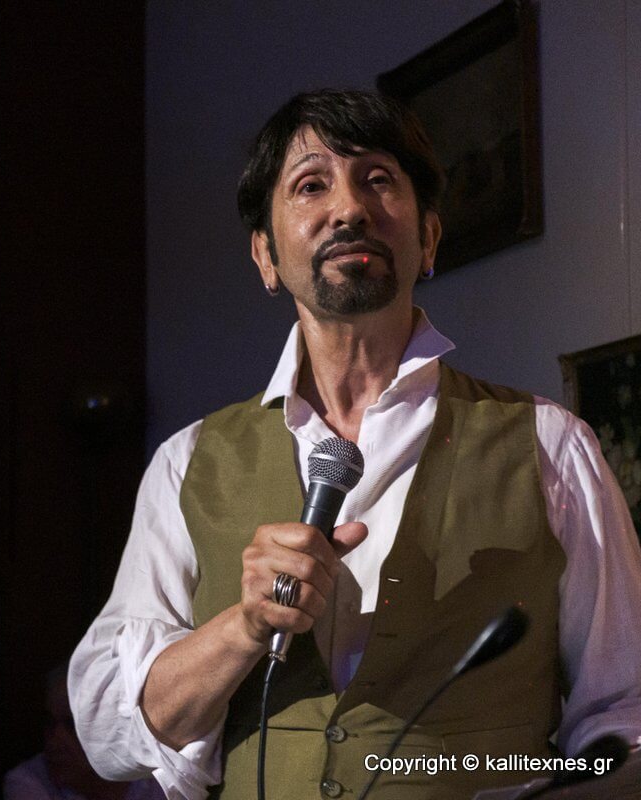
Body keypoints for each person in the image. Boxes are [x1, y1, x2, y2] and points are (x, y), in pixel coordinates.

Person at [69, 89, 641, 800]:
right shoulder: (186, 464)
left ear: (428, 239)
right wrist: (244, 627)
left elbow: (626, 713)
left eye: (377, 179)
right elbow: (108, 735)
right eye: (311, 185)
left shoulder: (551, 447)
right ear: (265, 255)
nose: (348, 209)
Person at [5, 664, 163, 800]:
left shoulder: (162, 777)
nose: (54, 741)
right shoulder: (30, 782)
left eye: (73, 725)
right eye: (49, 723)